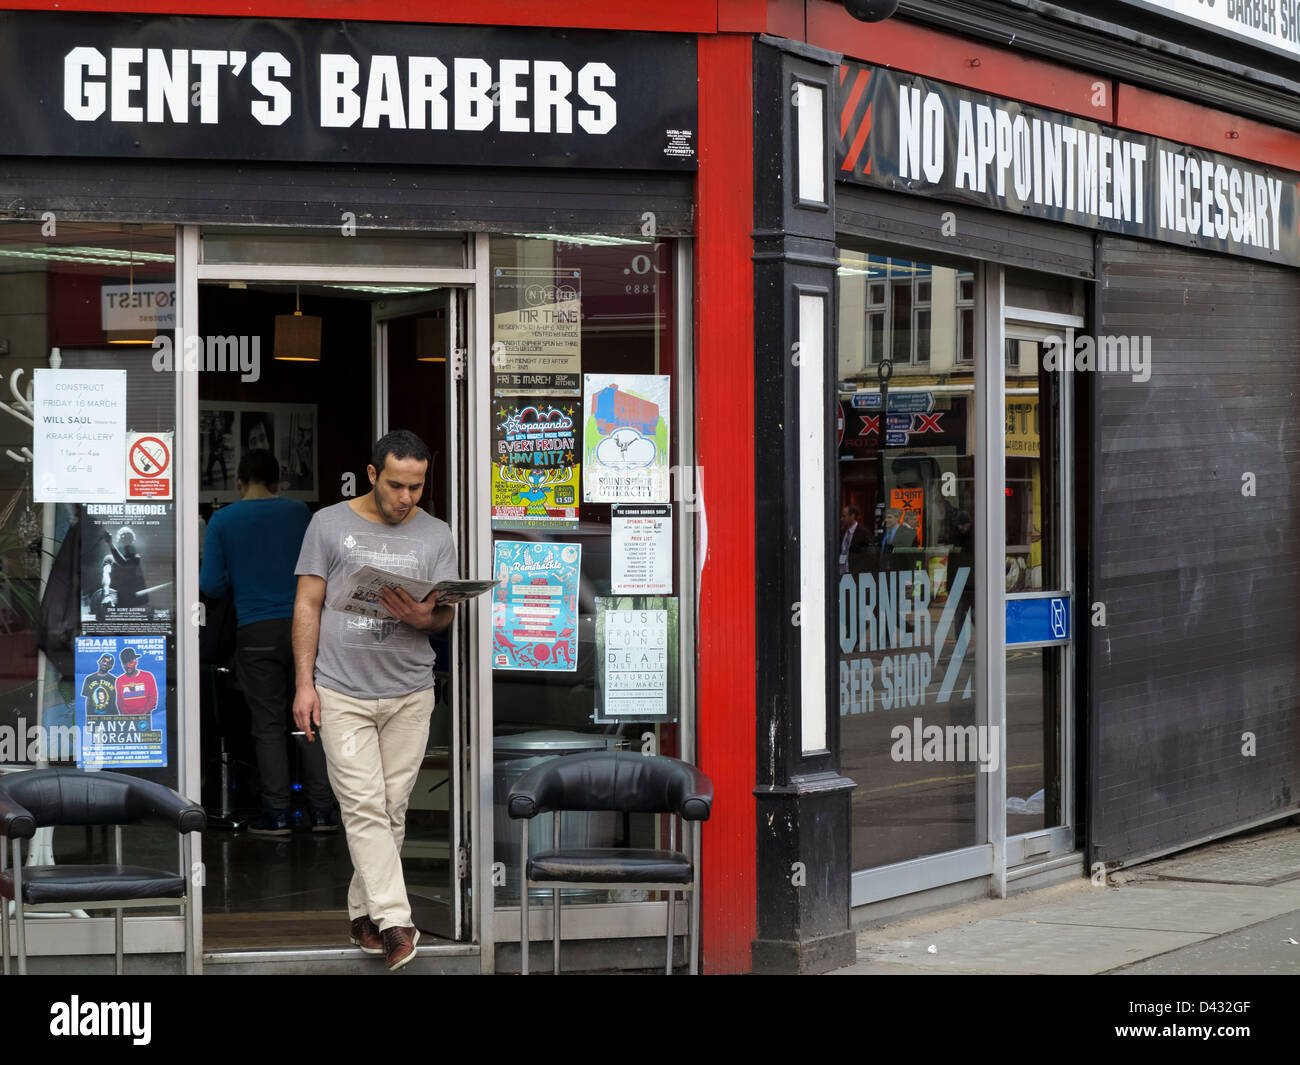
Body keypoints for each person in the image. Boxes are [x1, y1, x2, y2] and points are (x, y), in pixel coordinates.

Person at [292, 429, 458, 972]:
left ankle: (363, 915)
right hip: (341, 690)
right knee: (362, 805)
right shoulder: (329, 524)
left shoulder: (437, 534)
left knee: (391, 810)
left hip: (410, 691)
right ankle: (396, 922)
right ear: (371, 475)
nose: (406, 497)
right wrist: (303, 684)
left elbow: (446, 612)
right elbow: (308, 604)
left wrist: (424, 618)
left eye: (416, 486)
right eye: (395, 485)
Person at [201, 449, 336, 838]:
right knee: (311, 719)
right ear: (277, 481)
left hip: (256, 631)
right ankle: (323, 812)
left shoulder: (223, 520)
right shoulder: (299, 514)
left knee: (268, 725)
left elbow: (210, 584)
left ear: (239, 481)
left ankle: (276, 814)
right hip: (306, 626)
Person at [114, 647, 158, 716]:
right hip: (128, 719)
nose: (128, 666)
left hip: (144, 718)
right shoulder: (119, 680)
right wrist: (126, 718)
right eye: (125, 663)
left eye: (130, 662)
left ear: (135, 662)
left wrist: (143, 715)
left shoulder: (147, 676)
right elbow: (120, 703)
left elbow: (153, 698)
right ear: (122, 664)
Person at [879, 507, 916, 572]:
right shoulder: (885, 534)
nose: (886, 520)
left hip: (900, 571)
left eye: (889, 517)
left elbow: (910, 556)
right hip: (884, 571)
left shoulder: (906, 533)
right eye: (885, 518)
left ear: (897, 518)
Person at [839, 504, 871, 576]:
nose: (841, 519)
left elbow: (867, 555)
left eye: (844, 516)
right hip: (841, 571)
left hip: (855, 573)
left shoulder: (863, 533)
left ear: (852, 516)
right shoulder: (842, 532)